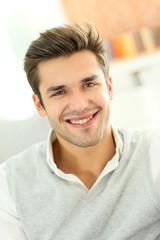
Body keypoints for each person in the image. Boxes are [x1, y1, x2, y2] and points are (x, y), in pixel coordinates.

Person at [0, 23, 160, 240]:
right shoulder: (8, 184)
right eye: (59, 92)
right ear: (39, 105)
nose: (79, 104)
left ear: (109, 87)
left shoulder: (153, 153)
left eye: (89, 85)